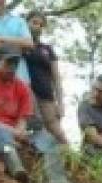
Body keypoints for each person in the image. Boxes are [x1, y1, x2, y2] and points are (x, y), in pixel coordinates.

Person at [0, 52, 81, 183]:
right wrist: (14, 132)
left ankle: (58, 181)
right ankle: (17, 169)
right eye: (7, 64)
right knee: (1, 133)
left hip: (14, 129)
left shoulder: (21, 87)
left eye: (15, 65)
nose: (11, 68)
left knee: (48, 140)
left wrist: (20, 130)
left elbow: (24, 117)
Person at [24, 11, 67, 146]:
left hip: (47, 95)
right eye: (34, 23)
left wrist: (60, 103)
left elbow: (56, 78)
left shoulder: (47, 49)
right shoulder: (20, 46)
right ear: (26, 23)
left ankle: (74, 164)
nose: (38, 27)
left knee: (58, 133)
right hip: (27, 94)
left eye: (41, 25)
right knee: (38, 131)